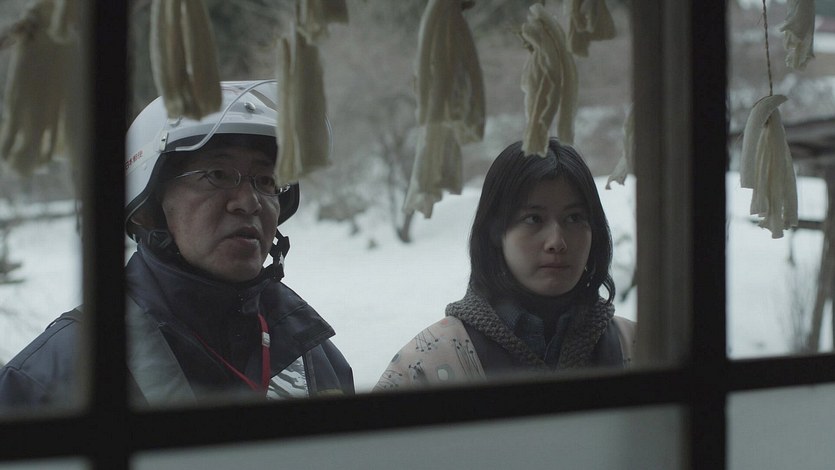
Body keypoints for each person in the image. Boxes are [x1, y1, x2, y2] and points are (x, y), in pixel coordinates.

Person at [0, 80, 353, 407]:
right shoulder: (53, 377)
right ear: (148, 210)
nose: (249, 202)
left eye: (266, 181)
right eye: (217, 175)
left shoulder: (315, 359)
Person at [375, 138, 635, 390]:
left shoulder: (637, 346)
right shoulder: (428, 362)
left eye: (575, 218)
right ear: (496, 232)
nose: (557, 242)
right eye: (533, 219)